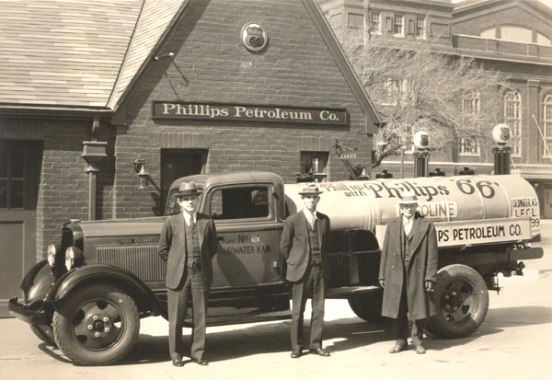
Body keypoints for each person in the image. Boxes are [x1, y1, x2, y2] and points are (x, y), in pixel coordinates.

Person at [158, 181, 218, 367]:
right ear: (180, 203)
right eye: (186, 199)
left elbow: (212, 247)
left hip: (200, 274)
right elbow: (163, 249)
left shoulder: (206, 221)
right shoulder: (171, 222)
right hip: (179, 276)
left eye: (193, 198)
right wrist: (177, 264)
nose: (190, 202)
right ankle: (176, 354)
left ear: (196, 200)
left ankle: (198, 353)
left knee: (200, 317)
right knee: (176, 317)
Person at [378, 190, 438, 354]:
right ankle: (400, 341)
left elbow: (432, 254)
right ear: (401, 208)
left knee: (417, 308)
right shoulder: (392, 225)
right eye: (405, 206)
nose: (409, 210)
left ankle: (418, 341)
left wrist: (430, 276)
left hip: (417, 273)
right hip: (396, 272)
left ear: (416, 206)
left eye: (411, 206)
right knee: (398, 307)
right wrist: (382, 274)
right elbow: (386, 251)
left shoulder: (426, 225)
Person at [280, 183, 331, 359]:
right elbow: (284, 247)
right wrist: (295, 263)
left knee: (319, 309)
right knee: (298, 311)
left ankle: (316, 345)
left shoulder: (324, 220)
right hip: (300, 271)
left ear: (318, 199)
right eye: (308, 197)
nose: (311, 200)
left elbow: (326, 246)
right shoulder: (292, 221)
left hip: (319, 270)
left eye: (314, 197)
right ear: (303, 199)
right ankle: (297, 346)